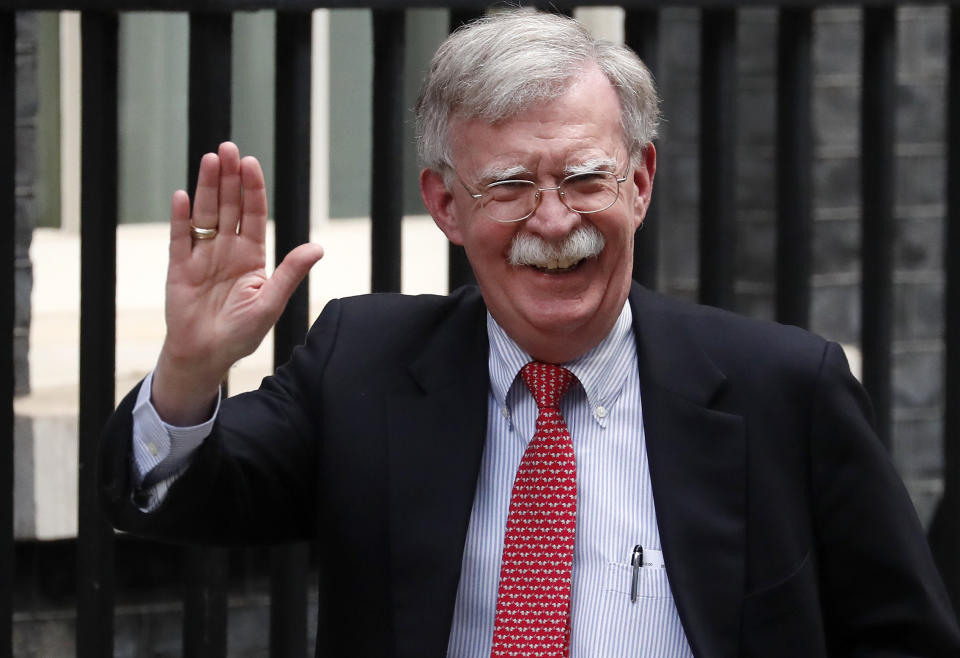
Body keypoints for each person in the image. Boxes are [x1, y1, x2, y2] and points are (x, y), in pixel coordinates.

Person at [100, 9, 960, 657]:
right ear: (444, 204)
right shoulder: (363, 362)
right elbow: (188, 500)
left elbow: (904, 637)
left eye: (585, 177)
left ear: (640, 180)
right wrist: (187, 369)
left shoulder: (784, 389)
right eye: (509, 185)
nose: (555, 223)